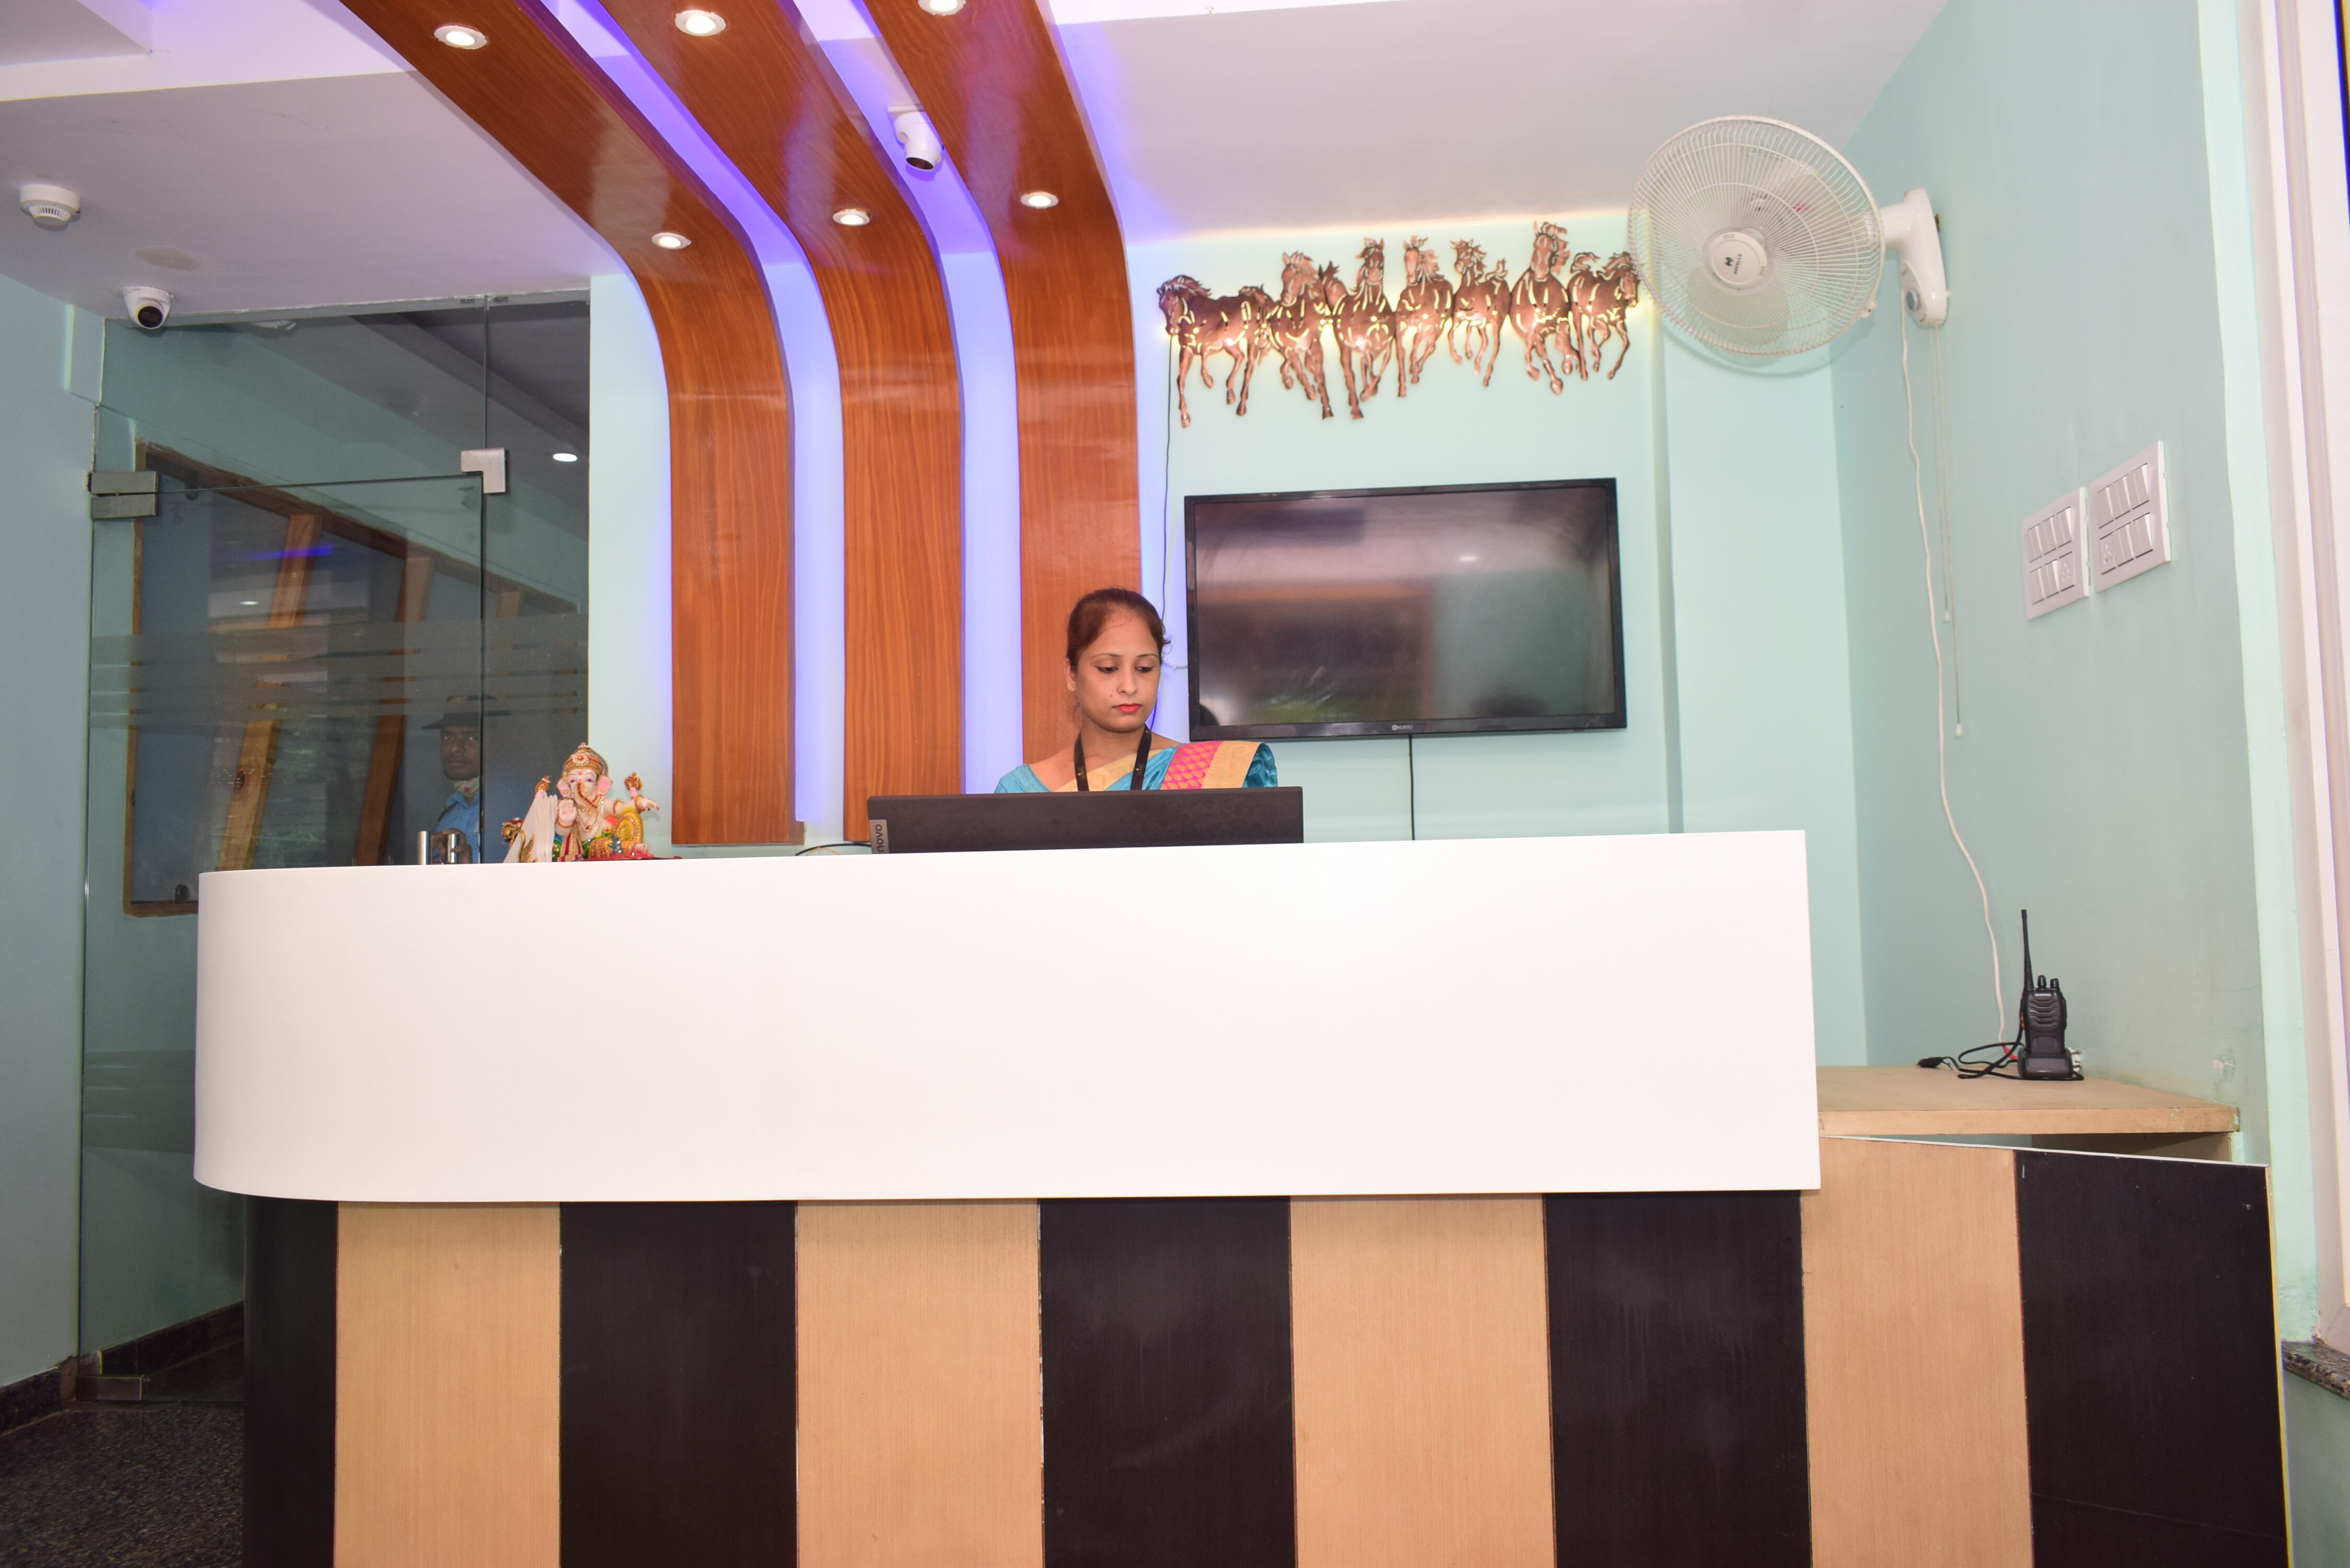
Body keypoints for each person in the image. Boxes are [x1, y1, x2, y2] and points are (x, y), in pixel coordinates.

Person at [995, 587, 1277, 793]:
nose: (1129, 687)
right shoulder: (1021, 792)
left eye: (1144, 668)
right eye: (1108, 669)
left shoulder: (1217, 775)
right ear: (1072, 674)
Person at [424, 707, 485, 862]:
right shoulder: (451, 812)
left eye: (473, 737)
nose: (455, 748)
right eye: (448, 737)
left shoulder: (517, 806)